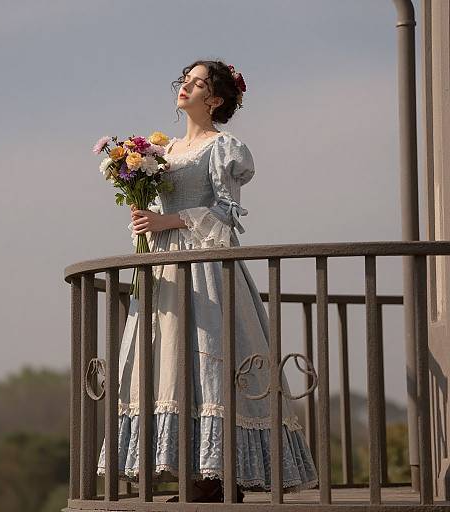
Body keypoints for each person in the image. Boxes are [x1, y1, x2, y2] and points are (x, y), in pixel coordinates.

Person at [97, 60, 318, 502]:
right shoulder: (161, 151)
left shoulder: (223, 147)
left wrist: (167, 220)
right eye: (185, 79)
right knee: (168, 360)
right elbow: (158, 211)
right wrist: (144, 215)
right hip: (163, 267)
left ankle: (217, 476)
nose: (185, 87)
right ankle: (187, 471)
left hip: (206, 267)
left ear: (214, 100)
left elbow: (227, 213)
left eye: (197, 83)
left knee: (210, 358)